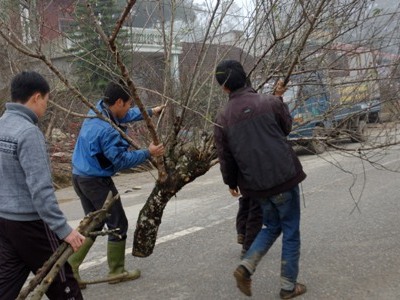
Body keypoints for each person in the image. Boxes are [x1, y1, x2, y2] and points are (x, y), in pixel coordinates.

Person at [213, 60, 307, 299]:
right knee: (290, 229)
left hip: (255, 185)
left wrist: (231, 183)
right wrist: (279, 98)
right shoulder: (270, 103)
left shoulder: (222, 119)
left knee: (272, 225)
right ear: (246, 78)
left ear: (224, 88)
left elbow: (226, 157)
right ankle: (288, 286)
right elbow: (286, 128)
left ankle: (246, 266)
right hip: (283, 177)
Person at [68, 81, 165, 289]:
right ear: (119, 102)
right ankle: (116, 271)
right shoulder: (107, 131)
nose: (130, 108)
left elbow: (125, 115)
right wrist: (149, 153)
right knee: (118, 224)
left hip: (79, 176)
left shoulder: (99, 108)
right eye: (129, 104)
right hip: (95, 181)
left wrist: (150, 112)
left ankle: (70, 269)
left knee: (92, 224)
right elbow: (120, 161)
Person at [0, 71, 85, 300]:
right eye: (46, 101)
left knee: (5, 285)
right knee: (63, 283)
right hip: (31, 224)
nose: (46, 107)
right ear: (36, 97)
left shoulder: (1, 126)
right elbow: (41, 191)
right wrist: (64, 230)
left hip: (4, 222)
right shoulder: (29, 133)